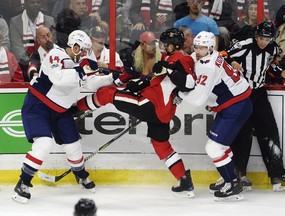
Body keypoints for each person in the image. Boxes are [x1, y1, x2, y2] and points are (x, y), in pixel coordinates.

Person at [76, 28, 196, 198]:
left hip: (150, 105)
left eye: (165, 44)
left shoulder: (182, 59)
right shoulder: (168, 58)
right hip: (159, 108)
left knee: (108, 93)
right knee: (161, 145)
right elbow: (159, 81)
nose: (162, 46)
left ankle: (74, 109)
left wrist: (170, 71)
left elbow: (190, 84)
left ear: (174, 44)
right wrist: (140, 83)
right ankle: (184, 179)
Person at [12, 30, 99, 204]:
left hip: (60, 110)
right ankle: (23, 183)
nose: (84, 53)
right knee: (43, 144)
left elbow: (89, 80)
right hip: (38, 106)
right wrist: (82, 71)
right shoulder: (56, 54)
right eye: (83, 49)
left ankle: (80, 175)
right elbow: (58, 78)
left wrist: (115, 78)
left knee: (73, 145)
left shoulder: (78, 64)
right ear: (74, 46)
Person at [164, 31, 252, 201]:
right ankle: (230, 177)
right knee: (221, 146)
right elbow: (192, 61)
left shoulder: (208, 66)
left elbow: (197, 99)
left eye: (202, 48)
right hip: (234, 104)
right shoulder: (210, 55)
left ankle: (232, 183)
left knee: (213, 148)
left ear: (210, 48)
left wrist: (180, 94)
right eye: (196, 46)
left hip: (236, 106)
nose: (197, 50)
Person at [217, 20, 285, 192]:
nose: (265, 42)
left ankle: (277, 174)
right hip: (242, 94)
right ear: (256, 35)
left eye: (268, 38)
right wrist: (232, 63)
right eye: (262, 38)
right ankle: (238, 174)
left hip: (259, 94)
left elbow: (270, 66)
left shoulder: (272, 48)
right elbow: (221, 56)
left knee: (269, 131)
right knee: (242, 133)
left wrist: (281, 73)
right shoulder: (244, 44)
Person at [9, 0, 55, 82]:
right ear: (25, 4)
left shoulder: (50, 21)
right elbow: (17, 48)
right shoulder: (15, 21)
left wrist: (41, 63)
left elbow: (51, 45)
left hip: (46, 64)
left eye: (38, 2)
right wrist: (32, 63)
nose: (35, 5)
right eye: (32, 2)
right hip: (23, 65)